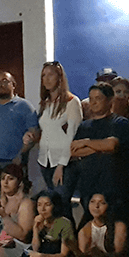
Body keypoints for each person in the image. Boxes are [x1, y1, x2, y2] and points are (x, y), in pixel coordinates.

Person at [68, 82, 129, 222]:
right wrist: (99, 146)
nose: (93, 103)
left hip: (115, 189)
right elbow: (74, 150)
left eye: (98, 98)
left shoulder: (120, 123)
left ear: (110, 100)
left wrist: (87, 142)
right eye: (91, 98)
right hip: (89, 187)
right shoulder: (84, 126)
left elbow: (111, 145)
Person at [36, 61, 82, 199]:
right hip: (46, 161)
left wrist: (61, 165)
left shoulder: (71, 102)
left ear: (59, 77)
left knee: (62, 202)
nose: (47, 79)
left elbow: (71, 134)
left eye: (51, 74)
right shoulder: (46, 103)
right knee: (52, 204)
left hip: (65, 163)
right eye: (44, 75)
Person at [0, 71, 39, 169]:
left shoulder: (25, 106)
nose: (0, 84)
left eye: (5, 81)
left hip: (16, 161)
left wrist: (20, 155)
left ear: (13, 85)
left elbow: (34, 133)